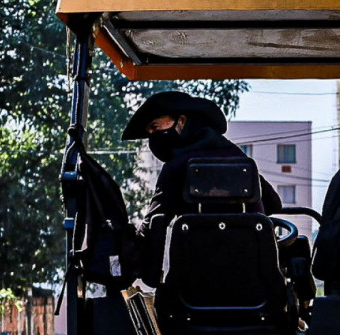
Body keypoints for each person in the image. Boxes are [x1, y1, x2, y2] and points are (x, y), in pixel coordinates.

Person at [121, 90, 283, 286]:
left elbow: (154, 223)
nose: (153, 136)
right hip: (256, 285)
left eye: (155, 127)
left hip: (193, 289)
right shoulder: (239, 158)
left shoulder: (174, 168)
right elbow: (274, 203)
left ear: (181, 122)